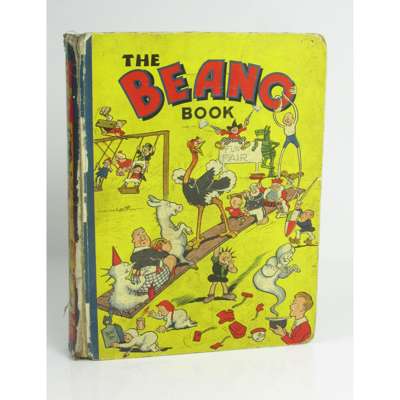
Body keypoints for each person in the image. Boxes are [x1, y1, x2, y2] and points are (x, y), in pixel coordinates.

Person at [273, 88, 302, 183]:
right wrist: (275, 112)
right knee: (282, 153)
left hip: (293, 137)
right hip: (287, 138)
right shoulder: (284, 126)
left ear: (292, 119)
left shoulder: (294, 123)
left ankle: (300, 171)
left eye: (288, 118)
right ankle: (278, 174)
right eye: (285, 118)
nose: (286, 120)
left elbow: (295, 110)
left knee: (298, 150)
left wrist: (288, 100)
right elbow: (277, 121)